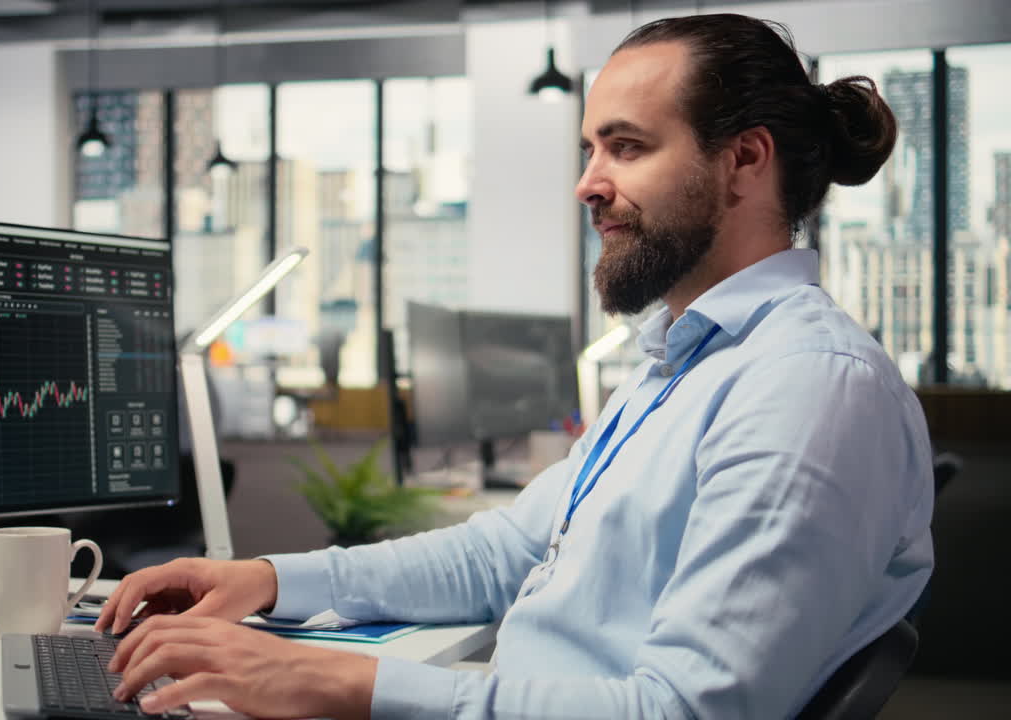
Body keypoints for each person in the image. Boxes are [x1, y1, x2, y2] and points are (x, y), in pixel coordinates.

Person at [96, 13, 934, 719]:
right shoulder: (685, 363)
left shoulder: (807, 386)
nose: (588, 184)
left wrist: (335, 680)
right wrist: (269, 579)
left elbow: (683, 710)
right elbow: (507, 552)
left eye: (627, 147)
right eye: (589, 149)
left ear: (745, 160)